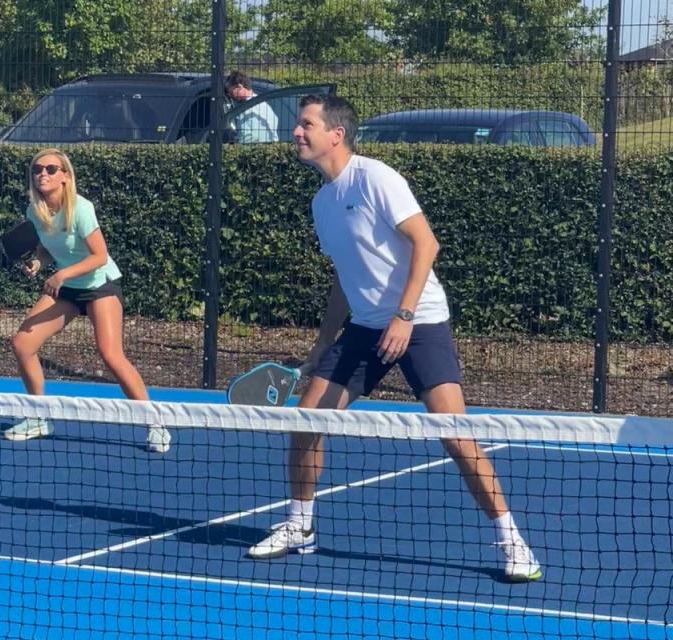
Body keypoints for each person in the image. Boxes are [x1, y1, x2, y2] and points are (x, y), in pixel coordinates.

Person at [246, 95, 541, 582]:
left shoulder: (377, 178)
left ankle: (513, 540)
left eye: (305, 125)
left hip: (420, 321)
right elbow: (344, 277)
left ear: (336, 134)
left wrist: (404, 316)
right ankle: (300, 525)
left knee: (455, 434)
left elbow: (427, 243)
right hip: (364, 328)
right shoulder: (322, 202)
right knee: (307, 422)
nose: (296, 133)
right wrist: (323, 342)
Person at [5, 148, 171, 454]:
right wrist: (40, 264)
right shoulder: (35, 211)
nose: (43, 174)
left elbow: (100, 256)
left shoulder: (81, 209)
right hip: (67, 287)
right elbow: (45, 246)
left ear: (65, 176)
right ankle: (39, 417)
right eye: (37, 169)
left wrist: (61, 274)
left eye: (51, 169)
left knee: (110, 354)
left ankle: (155, 423)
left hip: (99, 284)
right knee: (22, 344)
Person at [224, 70, 279, 143]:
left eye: (230, 92)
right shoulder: (263, 104)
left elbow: (247, 139)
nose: (230, 96)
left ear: (239, 86)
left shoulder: (249, 108)